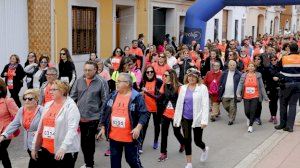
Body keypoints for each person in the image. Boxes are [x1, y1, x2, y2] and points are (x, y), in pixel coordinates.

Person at [97, 73, 150, 168]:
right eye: (116, 81)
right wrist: (103, 127)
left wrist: (138, 128)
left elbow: (144, 113)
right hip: (114, 137)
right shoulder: (112, 95)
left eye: (119, 82)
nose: (116, 83)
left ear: (128, 83)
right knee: (115, 164)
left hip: (130, 138)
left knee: (132, 161)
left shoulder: (136, 97)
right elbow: (104, 111)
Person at [31, 80, 80, 168]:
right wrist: (34, 147)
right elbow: (40, 128)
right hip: (46, 148)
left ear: (62, 91)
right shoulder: (48, 104)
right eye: (50, 89)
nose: (50, 92)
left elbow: (72, 129)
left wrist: (63, 148)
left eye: (54, 90)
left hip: (62, 151)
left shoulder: (71, 107)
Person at [70, 61, 108, 168]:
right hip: (80, 117)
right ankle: (88, 162)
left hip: (94, 117)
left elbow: (105, 101)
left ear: (95, 70)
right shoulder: (79, 81)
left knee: (89, 141)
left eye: (89, 70)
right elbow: (72, 97)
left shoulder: (101, 82)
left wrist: (101, 119)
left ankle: (89, 163)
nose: (87, 72)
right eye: (85, 70)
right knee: (83, 142)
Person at [173, 68, 209, 168]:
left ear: (197, 77)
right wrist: (176, 119)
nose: (191, 78)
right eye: (189, 76)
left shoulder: (202, 88)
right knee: (187, 139)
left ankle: (204, 149)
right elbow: (179, 104)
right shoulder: (183, 88)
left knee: (197, 141)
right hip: (185, 118)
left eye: (193, 76)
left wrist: (204, 120)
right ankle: (189, 163)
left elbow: (205, 105)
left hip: (197, 118)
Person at [0, 89, 43, 168]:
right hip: (28, 145)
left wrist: (38, 137)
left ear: (36, 99)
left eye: (30, 98)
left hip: (39, 145)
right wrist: (3, 135)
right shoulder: (22, 110)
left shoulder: (42, 111)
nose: (27, 100)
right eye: (25, 98)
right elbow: (14, 124)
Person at [158, 69, 185, 162]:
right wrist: (146, 93)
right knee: (164, 134)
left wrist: (178, 114)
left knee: (176, 132)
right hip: (165, 114)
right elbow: (159, 98)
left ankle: (183, 143)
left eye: (166, 76)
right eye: (163, 75)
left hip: (175, 115)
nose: (163, 77)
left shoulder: (179, 87)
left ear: (172, 76)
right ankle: (163, 153)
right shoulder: (164, 85)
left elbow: (182, 103)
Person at [236, 62, 269, 133]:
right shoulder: (244, 75)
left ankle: (251, 125)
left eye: (252, 66)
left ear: (254, 68)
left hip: (255, 96)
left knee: (253, 110)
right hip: (246, 96)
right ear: (247, 67)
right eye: (249, 66)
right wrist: (238, 93)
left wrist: (266, 97)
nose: (251, 68)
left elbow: (262, 87)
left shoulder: (258, 75)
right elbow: (240, 85)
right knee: (247, 111)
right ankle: (249, 118)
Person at [275, 42, 300, 132]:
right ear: (297, 49)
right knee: (293, 105)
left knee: (283, 104)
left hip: (286, 84)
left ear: (289, 48)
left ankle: (282, 124)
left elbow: (277, 69)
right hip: (298, 84)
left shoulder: (284, 58)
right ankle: (290, 126)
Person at [139, 65, 163, 152]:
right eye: (148, 72)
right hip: (146, 108)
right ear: (145, 73)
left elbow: (159, 96)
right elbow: (140, 93)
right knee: (144, 126)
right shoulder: (143, 82)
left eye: (151, 72)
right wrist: (141, 93)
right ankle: (140, 144)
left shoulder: (159, 82)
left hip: (156, 108)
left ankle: (156, 141)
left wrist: (146, 92)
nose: (149, 73)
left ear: (154, 72)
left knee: (157, 125)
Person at [0, 78, 19, 168]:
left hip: (5, 132)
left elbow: (18, 116)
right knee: (3, 154)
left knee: (1, 151)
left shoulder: (8, 101)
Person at [218, 60, 242, 125]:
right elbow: (220, 82)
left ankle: (231, 119)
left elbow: (241, 84)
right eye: (231, 65)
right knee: (225, 106)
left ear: (236, 66)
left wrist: (240, 93)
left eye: (233, 65)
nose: (232, 66)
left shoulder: (239, 74)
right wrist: (219, 89)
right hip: (225, 94)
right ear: (228, 65)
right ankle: (232, 113)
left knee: (232, 106)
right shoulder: (224, 73)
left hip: (234, 94)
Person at [265, 56, 280, 124]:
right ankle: (272, 115)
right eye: (272, 60)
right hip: (270, 87)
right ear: (270, 61)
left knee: (275, 102)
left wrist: (278, 79)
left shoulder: (279, 67)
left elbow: (282, 76)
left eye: (274, 60)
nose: (273, 61)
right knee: (271, 102)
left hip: (277, 87)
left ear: (277, 60)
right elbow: (266, 79)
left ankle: (274, 116)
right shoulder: (268, 68)